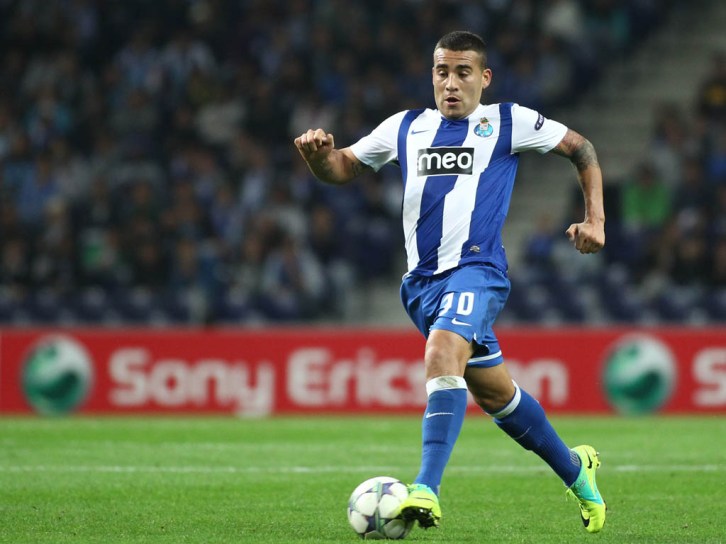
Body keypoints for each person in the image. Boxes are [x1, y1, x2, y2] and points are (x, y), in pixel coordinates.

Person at [294, 30, 606, 533]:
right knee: (495, 395)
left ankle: (426, 489)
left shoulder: (507, 121)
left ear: (485, 78)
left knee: (441, 353)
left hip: (478, 271)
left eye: (463, 72)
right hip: (421, 285)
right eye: (442, 72)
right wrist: (317, 158)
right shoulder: (405, 127)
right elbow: (343, 166)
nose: (451, 83)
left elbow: (581, 148)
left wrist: (596, 220)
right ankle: (577, 470)